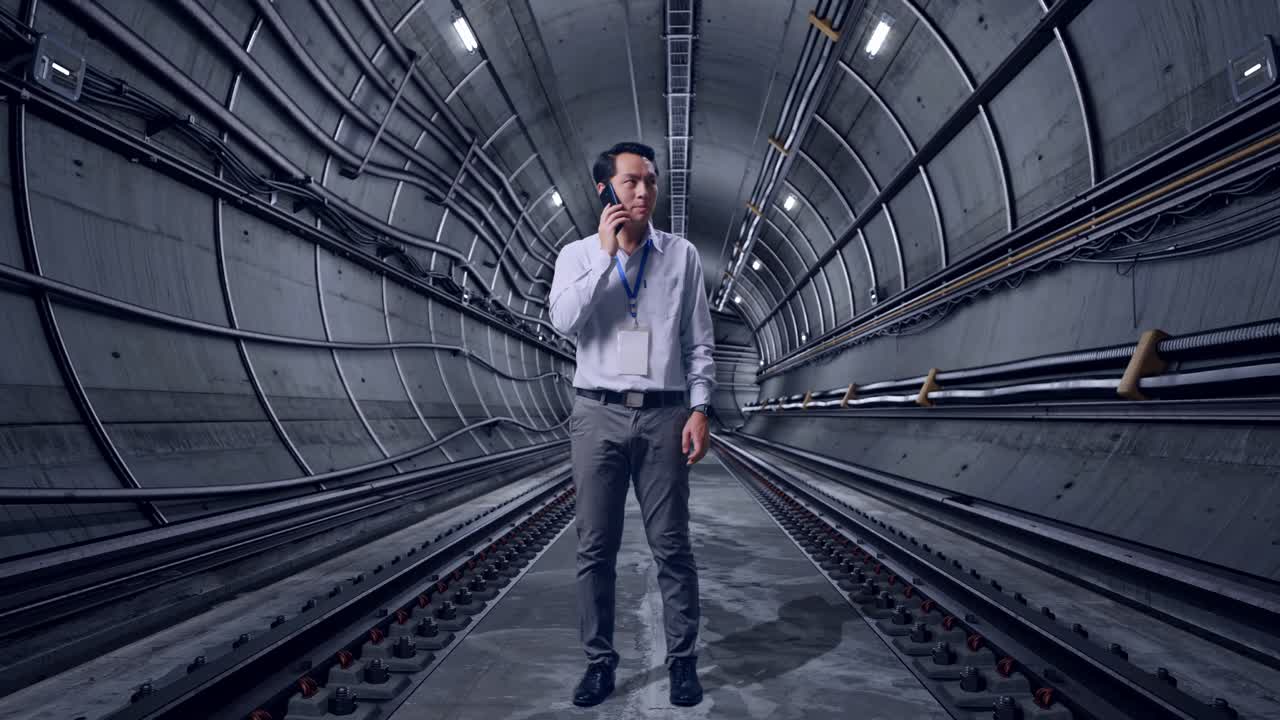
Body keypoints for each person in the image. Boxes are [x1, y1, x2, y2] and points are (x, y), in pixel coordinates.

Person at [548, 141, 716, 708]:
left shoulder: (682, 255)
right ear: (605, 191)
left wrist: (699, 408)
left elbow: (698, 343)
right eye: (629, 183)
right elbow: (565, 321)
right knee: (595, 547)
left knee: (671, 545)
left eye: (649, 181)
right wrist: (603, 255)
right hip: (597, 412)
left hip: (665, 413)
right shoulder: (574, 256)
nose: (642, 192)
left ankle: (682, 662)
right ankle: (599, 663)